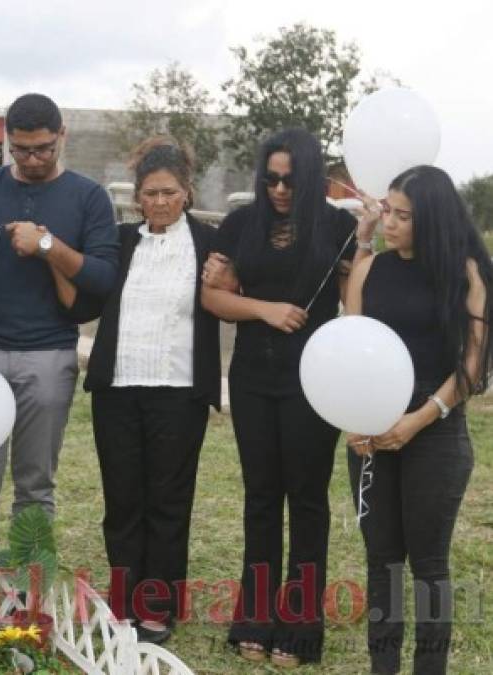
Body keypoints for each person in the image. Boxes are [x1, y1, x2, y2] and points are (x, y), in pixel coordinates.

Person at [201, 128, 379, 667]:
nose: (278, 189)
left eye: (289, 179)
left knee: (305, 501)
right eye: (270, 178)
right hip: (253, 379)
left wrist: (367, 238)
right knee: (260, 497)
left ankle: (300, 627)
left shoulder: (336, 227)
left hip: (315, 381)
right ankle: (253, 616)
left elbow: (355, 305)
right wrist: (266, 309)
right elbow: (212, 297)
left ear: (307, 178)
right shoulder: (240, 224)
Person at [0, 93, 119, 613]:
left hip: (50, 354)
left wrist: (47, 247)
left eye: (42, 149)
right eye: (21, 150)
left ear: (61, 135)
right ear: (8, 141)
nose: (33, 160)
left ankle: (24, 589)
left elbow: (103, 279)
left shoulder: (89, 198)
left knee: (35, 483)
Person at [60, 138, 221, 644]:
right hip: (119, 389)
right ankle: (123, 603)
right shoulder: (119, 240)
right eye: (150, 193)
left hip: (179, 391)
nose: (159, 202)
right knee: (123, 499)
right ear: (137, 197)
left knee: (169, 500)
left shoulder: (210, 244)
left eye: (169, 192)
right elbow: (84, 296)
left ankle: (159, 607)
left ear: (187, 192)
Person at [345, 165, 491, 675]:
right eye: (388, 209)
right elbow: (351, 346)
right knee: (381, 564)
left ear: (431, 220)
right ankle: (382, 668)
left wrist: (419, 419)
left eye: (403, 215)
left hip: (436, 428)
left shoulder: (466, 272)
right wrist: (353, 420)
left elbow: (472, 366)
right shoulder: (370, 268)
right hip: (371, 428)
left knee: (429, 567)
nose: (391, 222)